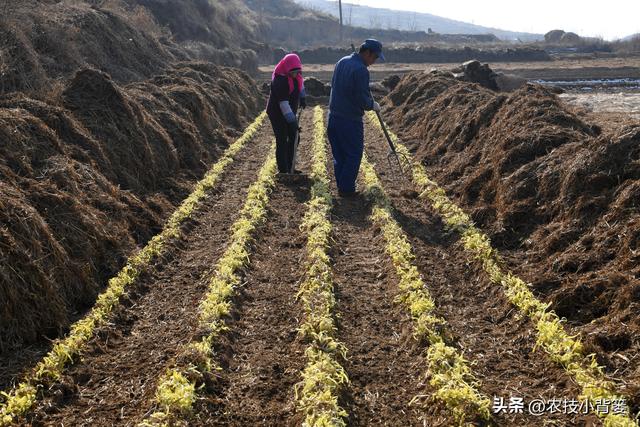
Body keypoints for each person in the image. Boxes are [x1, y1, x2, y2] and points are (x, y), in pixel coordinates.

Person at [327, 39, 384, 197]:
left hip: (333, 116)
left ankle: (342, 186)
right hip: (349, 119)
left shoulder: (342, 61)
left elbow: (336, 86)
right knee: (353, 154)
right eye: (374, 57)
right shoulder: (361, 70)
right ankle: (347, 190)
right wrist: (372, 104)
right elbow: (360, 98)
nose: (374, 62)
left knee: (340, 154)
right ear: (367, 53)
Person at [266, 53, 307, 174]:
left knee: (295, 138)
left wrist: (303, 97)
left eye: (297, 71)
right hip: (277, 113)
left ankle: (291, 166)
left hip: (289, 110)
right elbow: (283, 104)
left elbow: (301, 85)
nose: (295, 74)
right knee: (282, 139)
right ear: (287, 69)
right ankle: (283, 171)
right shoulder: (279, 80)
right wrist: (293, 122)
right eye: (292, 72)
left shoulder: (296, 76)